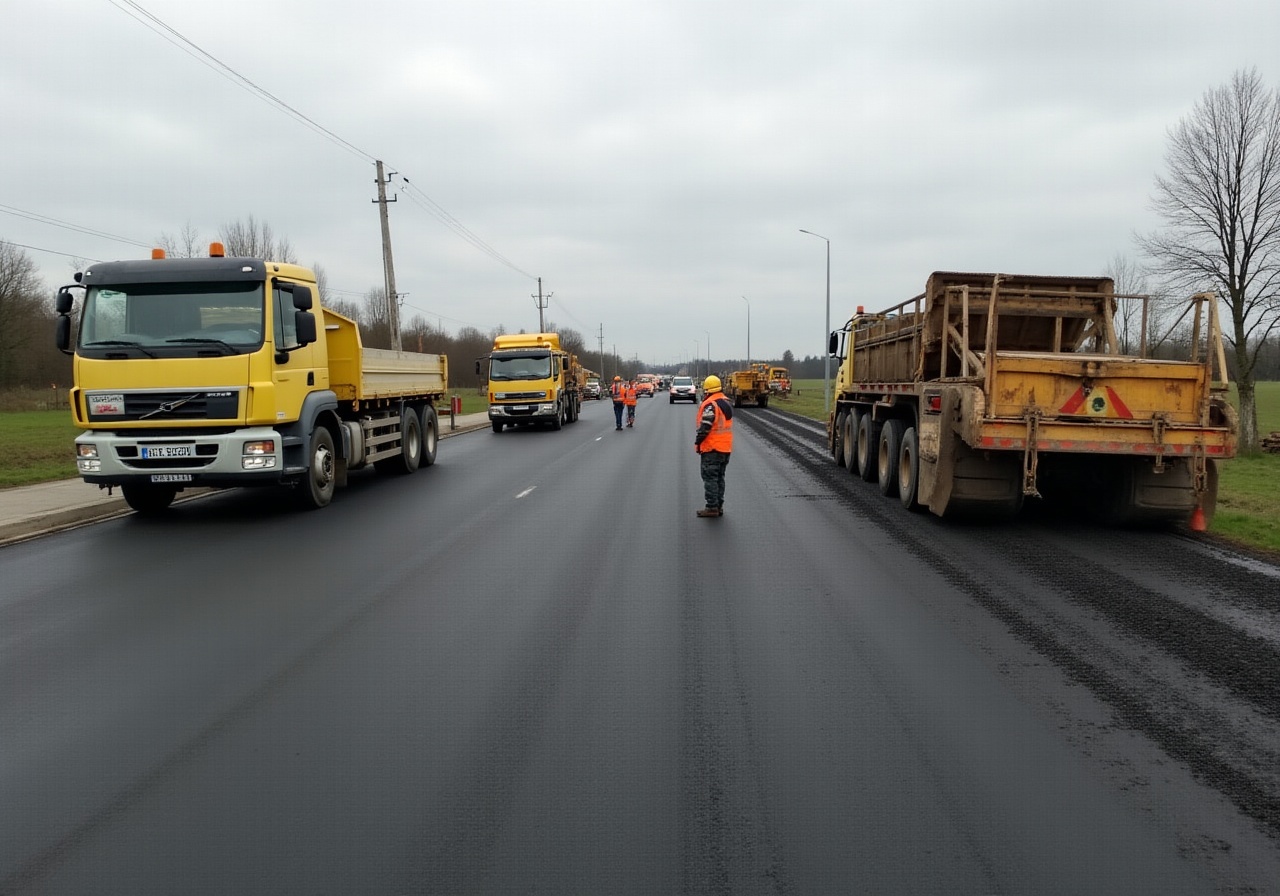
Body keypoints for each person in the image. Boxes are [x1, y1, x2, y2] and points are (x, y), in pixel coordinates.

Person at [694, 375, 734, 517]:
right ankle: (718, 505)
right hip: (725, 448)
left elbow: (706, 426)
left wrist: (698, 442)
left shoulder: (711, 404)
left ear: (708, 390)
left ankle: (711, 507)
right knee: (719, 477)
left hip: (712, 447)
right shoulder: (725, 402)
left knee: (710, 477)